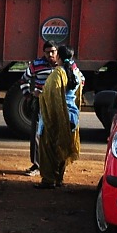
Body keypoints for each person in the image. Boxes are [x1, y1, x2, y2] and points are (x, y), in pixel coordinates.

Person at [35, 45, 83, 189]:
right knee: (63, 146)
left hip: (56, 117)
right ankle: (59, 178)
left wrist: (40, 95)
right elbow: (77, 95)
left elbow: (52, 95)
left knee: (48, 148)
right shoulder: (76, 73)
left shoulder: (57, 73)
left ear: (59, 57)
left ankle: (48, 180)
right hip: (72, 116)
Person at [19, 40, 59, 176]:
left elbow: (80, 79)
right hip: (40, 102)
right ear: (44, 53)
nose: (50, 54)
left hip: (57, 104)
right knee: (37, 133)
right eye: (48, 52)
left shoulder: (64, 65)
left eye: (53, 51)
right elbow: (23, 79)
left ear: (57, 51)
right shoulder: (36, 64)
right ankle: (37, 165)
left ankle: (55, 166)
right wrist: (28, 95)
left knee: (56, 134)